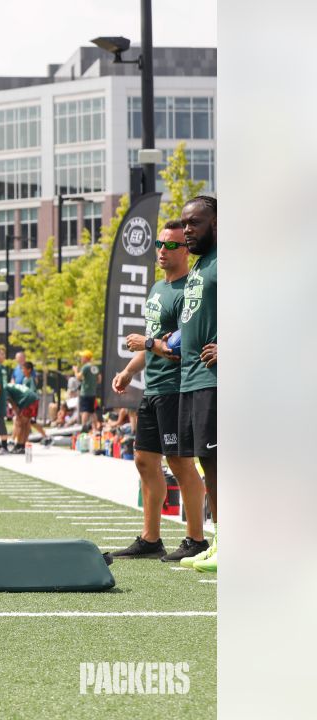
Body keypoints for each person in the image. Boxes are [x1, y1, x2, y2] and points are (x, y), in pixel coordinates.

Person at [109, 221, 209, 562]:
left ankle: (196, 539)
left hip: (176, 387)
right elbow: (151, 345)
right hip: (152, 388)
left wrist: (148, 343)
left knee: (180, 463)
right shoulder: (155, 289)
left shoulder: (189, 290)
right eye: (159, 245)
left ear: (187, 250)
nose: (162, 251)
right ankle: (151, 539)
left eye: (171, 246)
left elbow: (179, 348)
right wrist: (127, 371)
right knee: (143, 460)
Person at [175, 196, 218, 572]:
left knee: (219, 462)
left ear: (217, 224)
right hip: (191, 377)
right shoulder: (201, 265)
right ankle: (220, 538)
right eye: (185, 223)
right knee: (206, 461)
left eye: (195, 223)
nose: (187, 229)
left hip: (215, 380)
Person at [74, 350, 102, 432]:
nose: (81, 359)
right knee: (92, 411)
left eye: (82, 357)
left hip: (85, 393)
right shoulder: (95, 367)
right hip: (92, 393)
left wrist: (75, 370)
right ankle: (96, 429)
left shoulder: (86, 367)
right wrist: (92, 382)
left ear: (86, 358)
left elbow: (78, 377)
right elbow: (99, 379)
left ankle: (83, 428)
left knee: (85, 411)